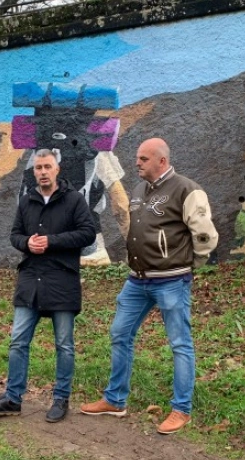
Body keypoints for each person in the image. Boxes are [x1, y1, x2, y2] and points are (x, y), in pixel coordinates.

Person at [80, 137, 218, 434]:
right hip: (137, 280)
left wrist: (191, 263)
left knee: (180, 344)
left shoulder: (187, 189)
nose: (137, 163)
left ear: (162, 161)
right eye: (138, 158)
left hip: (171, 280)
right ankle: (115, 400)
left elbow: (205, 234)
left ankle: (181, 410)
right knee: (119, 333)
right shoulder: (140, 189)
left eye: (143, 159)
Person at [0, 149, 96, 423]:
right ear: (34, 172)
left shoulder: (74, 200)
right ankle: (12, 398)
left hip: (62, 281)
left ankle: (60, 398)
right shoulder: (26, 201)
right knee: (18, 341)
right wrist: (26, 244)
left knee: (64, 344)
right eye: (38, 168)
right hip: (30, 280)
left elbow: (88, 233)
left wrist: (51, 241)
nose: (42, 172)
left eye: (47, 167)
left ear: (57, 170)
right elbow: (14, 235)